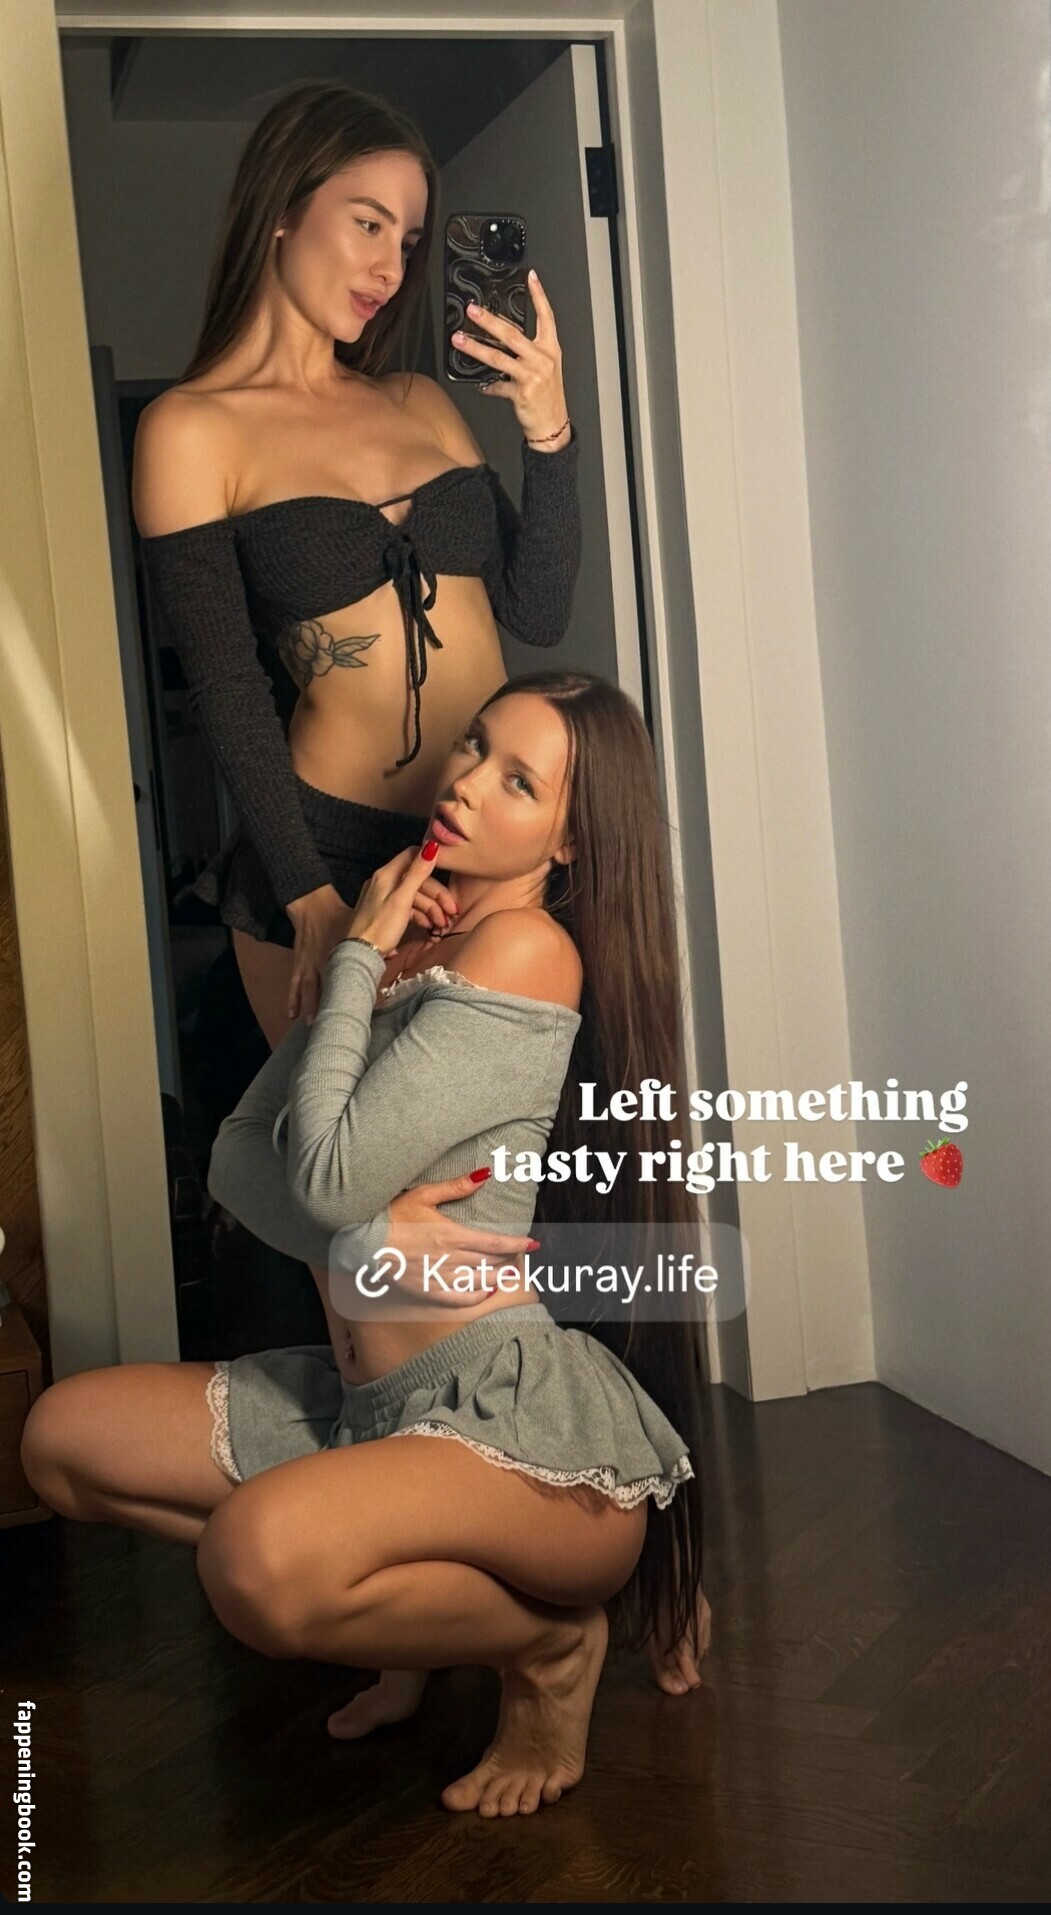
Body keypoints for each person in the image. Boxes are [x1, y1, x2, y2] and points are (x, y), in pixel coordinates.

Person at [22, 674, 708, 1816]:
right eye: (475, 746)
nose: (467, 782)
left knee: (252, 1565)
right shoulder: (406, 938)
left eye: (518, 780)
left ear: (571, 838)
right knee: (60, 1442)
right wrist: (368, 1235)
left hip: (502, 1425)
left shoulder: (525, 948)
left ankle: (550, 1648)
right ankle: (405, 1607)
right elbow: (241, 1157)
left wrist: (351, 956)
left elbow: (323, 1174)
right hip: (364, 1406)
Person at [133, 80, 582, 1048]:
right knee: (339, 1140)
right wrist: (308, 899)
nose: (390, 267)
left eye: (408, 242)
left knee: (492, 1134)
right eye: (368, 223)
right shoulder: (189, 430)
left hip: (479, 847)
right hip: (323, 854)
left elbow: (537, 608)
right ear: (282, 210)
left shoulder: (419, 400)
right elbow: (225, 685)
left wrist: (548, 431)